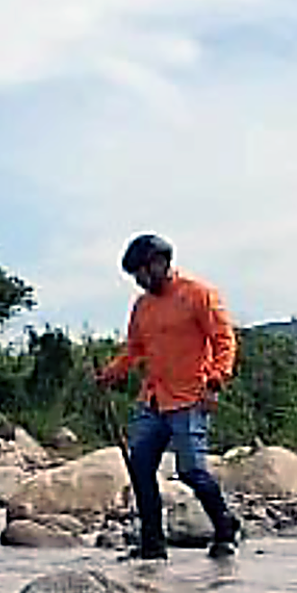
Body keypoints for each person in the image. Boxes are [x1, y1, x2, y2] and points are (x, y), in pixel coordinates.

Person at [97, 232, 242, 560]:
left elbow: (224, 341)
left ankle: (224, 526)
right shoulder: (142, 307)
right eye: (134, 276)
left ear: (160, 264)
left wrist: (217, 380)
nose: (139, 281)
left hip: (190, 397)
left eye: (142, 273)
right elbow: (134, 349)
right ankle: (152, 544)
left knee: (192, 471)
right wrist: (110, 373)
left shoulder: (199, 295)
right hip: (153, 399)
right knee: (140, 467)